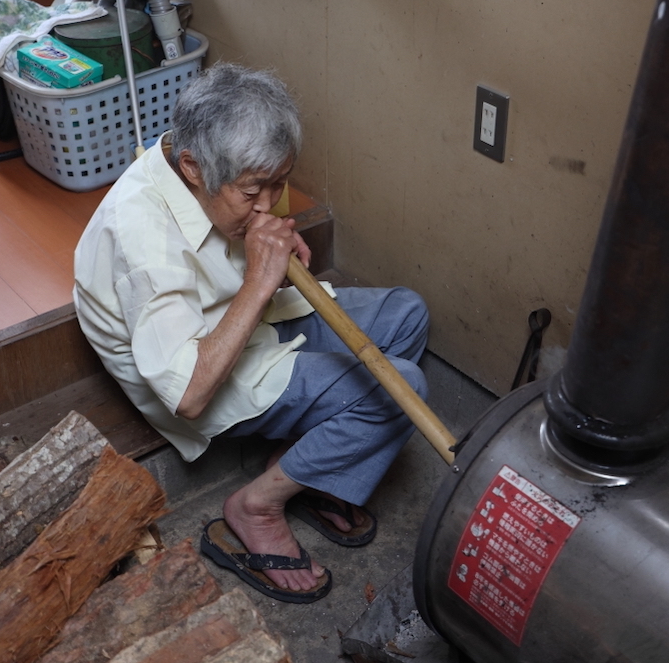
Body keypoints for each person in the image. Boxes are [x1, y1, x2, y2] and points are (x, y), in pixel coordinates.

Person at [74, 63, 430, 603]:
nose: (269, 203)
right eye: (253, 191)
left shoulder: (211, 167)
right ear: (192, 167)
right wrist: (260, 283)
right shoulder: (141, 238)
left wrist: (271, 241)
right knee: (401, 388)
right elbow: (189, 394)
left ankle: (310, 466)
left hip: (246, 318)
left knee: (407, 313)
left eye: (280, 184)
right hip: (204, 372)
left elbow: (251, 219)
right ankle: (257, 503)